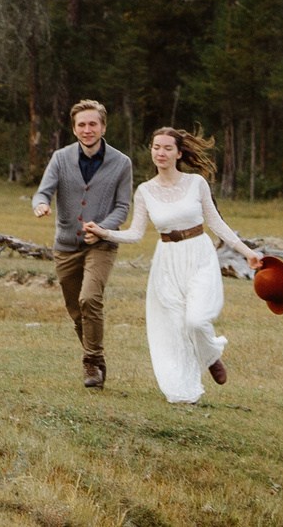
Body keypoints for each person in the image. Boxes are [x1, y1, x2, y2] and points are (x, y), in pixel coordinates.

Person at [86, 126, 264, 404]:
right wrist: (105, 232)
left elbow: (216, 223)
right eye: (156, 147)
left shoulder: (196, 183)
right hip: (167, 261)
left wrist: (246, 252)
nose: (161, 152)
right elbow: (135, 233)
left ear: (179, 153)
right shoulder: (145, 191)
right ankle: (185, 392)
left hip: (199, 255)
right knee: (175, 329)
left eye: (168, 148)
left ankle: (210, 354)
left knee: (195, 319)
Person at [32, 99, 133, 389]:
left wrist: (104, 229)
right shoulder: (60, 158)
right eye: (81, 125)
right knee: (76, 310)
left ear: (102, 126)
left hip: (101, 245)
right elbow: (43, 192)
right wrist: (40, 205)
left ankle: (91, 362)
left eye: (92, 124)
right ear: (74, 129)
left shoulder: (122, 163)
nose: (87, 130)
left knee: (90, 299)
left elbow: (123, 207)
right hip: (65, 245)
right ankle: (97, 361)